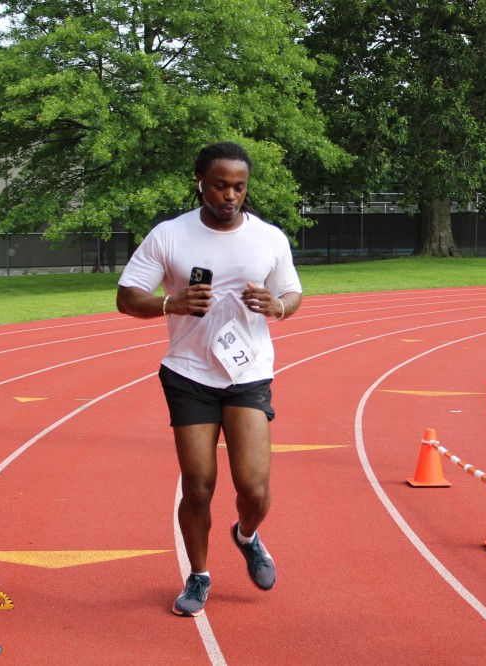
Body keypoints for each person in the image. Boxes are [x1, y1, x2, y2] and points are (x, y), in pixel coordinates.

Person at [116, 141, 302, 617]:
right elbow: (126, 296)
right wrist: (169, 303)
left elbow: (292, 292)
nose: (230, 196)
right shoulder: (169, 235)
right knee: (198, 485)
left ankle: (247, 536)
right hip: (189, 372)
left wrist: (278, 306)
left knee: (254, 489)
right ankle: (198, 575)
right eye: (220, 185)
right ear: (200, 182)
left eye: (239, 186)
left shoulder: (269, 238)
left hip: (247, 372)